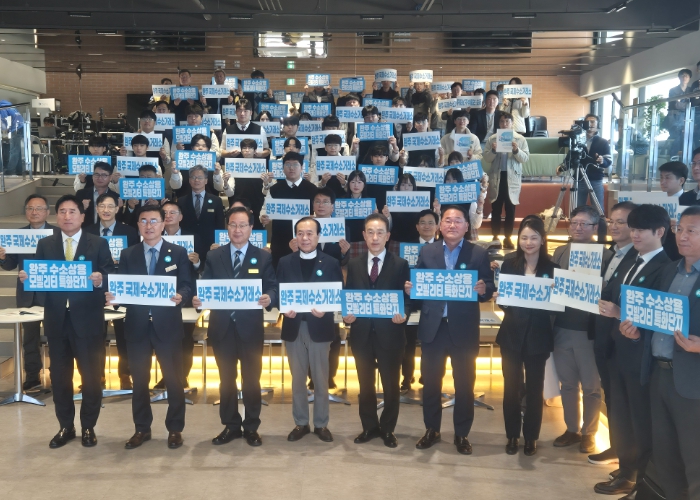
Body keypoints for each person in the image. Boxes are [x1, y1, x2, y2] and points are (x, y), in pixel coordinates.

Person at [18, 195, 114, 448]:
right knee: (60, 378)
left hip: (88, 321)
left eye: (72, 211)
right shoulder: (45, 244)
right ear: (56, 216)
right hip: (57, 321)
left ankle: (89, 426)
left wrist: (100, 279)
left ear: (82, 216)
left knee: (91, 377)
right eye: (62, 211)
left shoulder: (98, 243)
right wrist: (28, 278)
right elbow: (40, 282)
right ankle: (66, 426)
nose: (67, 216)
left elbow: (110, 273)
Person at [619, 205, 700, 500]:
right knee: (665, 456)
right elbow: (656, 322)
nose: (683, 236)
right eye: (680, 230)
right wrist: (636, 333)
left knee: (695, 459)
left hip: (692, 383)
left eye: (692, 231)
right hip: (659, 375)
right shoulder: (669, 271)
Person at [405, 205, 495, 455]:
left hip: (463, 328)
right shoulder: (428, 251)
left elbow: (488, 286)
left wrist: (484, 289)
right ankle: (431, 429)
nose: (452, 225)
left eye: (458, 221)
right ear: (440, 225)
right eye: (447, 220)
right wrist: (411, 290)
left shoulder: (478, 253)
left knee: (464, 384)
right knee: (431, 383)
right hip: (433, 327)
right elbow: (419, 285)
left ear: (466, 226)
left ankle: (461, 433)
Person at [596, 204, 671, 496]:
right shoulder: (631, 260)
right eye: (634, 228)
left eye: (641, 230)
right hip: (618, 351)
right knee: (621, 416)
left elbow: (660, 317)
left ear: (660, 232)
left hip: (641, 358)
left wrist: (619, 313)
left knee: (640, 422)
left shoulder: (665, 268)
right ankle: (626, 470)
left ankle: (641, 482)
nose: (635, 234)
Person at [106, 205, 192, 450]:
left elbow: (188, 284)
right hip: (137, 326)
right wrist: (114, 297)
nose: (149, 225)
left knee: (174, 381)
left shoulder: (178, 252)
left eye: (154, 221)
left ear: (163, 224)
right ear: (138, 225)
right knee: (140, 382)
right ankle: (141, 428)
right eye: (143, 221)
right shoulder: (128, 254)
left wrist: (182, 295)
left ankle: (175, 429)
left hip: (168, 326)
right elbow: (123, 289)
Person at [192, 206, 278, 447]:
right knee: (226, 380)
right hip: (222, 328)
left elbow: (272, 286)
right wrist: (198, 301)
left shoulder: (263, 256)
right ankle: (230, 425)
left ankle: (251, 427)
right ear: (227, 228)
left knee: (252, 381)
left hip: (250, 329)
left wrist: (270, 297)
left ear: (251, 228)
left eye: (242, 225)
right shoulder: (214, 256)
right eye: (233, 225)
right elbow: (205, 287)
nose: (237, 230)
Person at [343, 213, 410, 448]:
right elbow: (349, 296)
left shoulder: (400, 264)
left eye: (380, 232)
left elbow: (407, 299)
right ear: (363, 235)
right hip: (361, 334)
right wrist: (347, 315)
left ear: (387, 236)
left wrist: (404, 314)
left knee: (391, 386)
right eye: (370, 232)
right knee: (365, 385)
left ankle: (388, 429)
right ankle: (369, 427)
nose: (375, 237)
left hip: (391, 334)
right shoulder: (354, 264)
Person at [494, 215, 558, 456]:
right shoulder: (509, 265)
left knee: (534, 390)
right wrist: (500, 298)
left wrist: (556, 295)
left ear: (542, 240)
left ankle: (531, 437)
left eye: (534, 237)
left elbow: (556, 307)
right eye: (524, 237)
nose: (528, 242)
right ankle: (512, 435)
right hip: (511, 335)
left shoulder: (553, 269)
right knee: (510, 389)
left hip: (538, 337)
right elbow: (505, 304)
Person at [551, 206, 612, 454]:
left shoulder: (606, 256)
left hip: (589, 330)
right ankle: (571, 429)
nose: (577, 228)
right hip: (561, 327)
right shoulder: (560, 252)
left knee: (591, 386)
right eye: (574, 223)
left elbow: (610, 291)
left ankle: (589, 432)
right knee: (567, 384)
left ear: (595, 227)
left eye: (584, 224)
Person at [277, 217, 343, 443]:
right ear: (295, 236)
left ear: (318, 236)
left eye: (309, 233)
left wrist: (327, 308)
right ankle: (301, 422)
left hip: (320, 328)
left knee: (321, 379)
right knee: (297, 380)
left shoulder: (331, 262)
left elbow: (338, 294)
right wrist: (283, 308)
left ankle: (321, 424)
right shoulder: (285, 261)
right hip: (293, 327)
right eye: (300, 233)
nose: (304, 238)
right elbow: (278, 291)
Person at [588, 201, 637, 467]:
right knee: (611, 396)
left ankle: (626, 456)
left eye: (622, 222)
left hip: (621, 340)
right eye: (612, 221)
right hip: (603, 336)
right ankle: (616, 447)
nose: (614, 226)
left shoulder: (636, 258)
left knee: (622, 401)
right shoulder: (611, 253)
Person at [0, 194, 57, 390]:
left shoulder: (58, 234)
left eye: (39, 208)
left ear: (47, 212)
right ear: (25, 212)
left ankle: (57, 374)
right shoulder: (17, 235)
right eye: (30, 208)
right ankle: (33, 376)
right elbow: (10, 265)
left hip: (51, 295)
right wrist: (2, 257)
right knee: (30, 339)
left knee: (55, 336)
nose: (34, 212)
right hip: (27, 294)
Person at [85, 192, 139, 390]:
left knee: (124, 335)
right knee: (95, 335)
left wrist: (121, 262)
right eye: (102, 206)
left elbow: (136, 258)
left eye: (110, 206)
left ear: (118, 208)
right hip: (95, 288)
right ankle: (96, 376)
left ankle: (125, 375)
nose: (106, 210)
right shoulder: (88, 231)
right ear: (96, 209)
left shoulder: (130, 232)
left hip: (121, 287)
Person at [401, 209, 439, 391]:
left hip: (433, 302)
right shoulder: (406, 247)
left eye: (431, 223)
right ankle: (406, 377)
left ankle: (427, 376)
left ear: (437, 226)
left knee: (430, 342)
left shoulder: (444, 247)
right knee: (407, 342)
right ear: (417, 226)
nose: (426, 226)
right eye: (422, 222)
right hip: (410, 300)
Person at [260, 151, 318, 268]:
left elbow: (318, 213)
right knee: (280, 269)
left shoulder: (312, 189)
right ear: (283, 168)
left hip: (305, 239)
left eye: (295, 164)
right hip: (280, 238)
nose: (291, 168)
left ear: (302, 167)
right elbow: (265, 209)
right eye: (288, 165)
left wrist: (314, 217)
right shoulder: (274, 189)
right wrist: (263, 217)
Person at [483, 112, 530, 249]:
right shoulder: (492, 139)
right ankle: (495, 238)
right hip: (497, 177)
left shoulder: (520, 139)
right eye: (502, 121)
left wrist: (516, 150)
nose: (504, 124)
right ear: (499, 123)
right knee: (496, 209)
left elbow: (525, 158)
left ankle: (508, 238)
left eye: (507, 121)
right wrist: (493, 150)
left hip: (512, 178)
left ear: (512, 123)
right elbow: (487, 158)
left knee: (510, 209)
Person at [177, 164, 225, 269]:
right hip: (189, 246)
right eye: (193, 177)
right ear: (189, 180)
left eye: (200, 177)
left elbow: (220, 226)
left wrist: (218, 244)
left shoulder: (216, 201)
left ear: (206, 180)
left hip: (210, 245)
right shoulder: (181, 201)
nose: (196, 180)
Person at [433, 167, 485, 241]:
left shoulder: (469, 198)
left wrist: (479, 207)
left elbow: (476, 225)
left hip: (465, 240)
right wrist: (437, 210)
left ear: (460, 181)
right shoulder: (439, 199)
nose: (451, 182)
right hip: (444, 240)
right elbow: (436, 227)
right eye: (448, 179)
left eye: (454, 179)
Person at [169, 134, 226, 199]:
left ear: (208, 149)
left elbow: (220, 188)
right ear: (192, 148)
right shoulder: (182, 163)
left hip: (209, 200)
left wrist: (217, 174)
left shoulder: (214, 165)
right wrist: (175, 174)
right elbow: (175, 186)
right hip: (185, 199)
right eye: (197, 145)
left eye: (204, 146)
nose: (200, 148)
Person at [575, 114, 611, 211]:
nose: (590, 124)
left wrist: (603, 160)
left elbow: (608, 160)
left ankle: (599, 222)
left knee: (598, 209)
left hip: (596, 179)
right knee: (578, 209)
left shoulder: (603, 142)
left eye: (593, 122)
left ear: (597, 124)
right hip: (579, 179)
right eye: (588, 122)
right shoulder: (578, 140)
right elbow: (570, 157)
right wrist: (563, 167)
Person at [75, 161, 121, 228]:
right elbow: (74, 216)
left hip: (107, 232)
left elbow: (119, 220)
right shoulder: (81, 194)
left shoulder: (116, 197)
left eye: (104, 175)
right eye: (97, 174)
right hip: (86, 231)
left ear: (110, 177)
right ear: (92, 176)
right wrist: (82, 208)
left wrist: (118, 209)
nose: (100, 178)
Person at [658, 161, 688, 260]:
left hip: (678, 253)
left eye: (667, 178)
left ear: (681, 181)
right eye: (661, 177)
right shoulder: (657, 202)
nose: (662, 182)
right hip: (659, 251)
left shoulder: (689, 202)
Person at [667, 69, 693, 157]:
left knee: (686, 140)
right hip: (675, 118)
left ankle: (684, 160)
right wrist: (687, 105)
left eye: (687, 76)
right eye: (682, 75)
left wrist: (681, 103)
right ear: (679, 77)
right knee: (676, 139)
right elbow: (676, 105)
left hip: (688, 118)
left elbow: (692, 105)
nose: (684, 77)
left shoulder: (691, 90)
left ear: (689, 78)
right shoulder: (673, 90)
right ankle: (673, 159)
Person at [0, 100, 24, 176]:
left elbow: (5, 121)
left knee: (14, 151)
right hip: (22, 127)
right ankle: (19, 170)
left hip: (16, 129)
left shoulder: (2, 108)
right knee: (18, 151)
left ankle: (10, 171)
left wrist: (4, 134)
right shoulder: (10, 106)